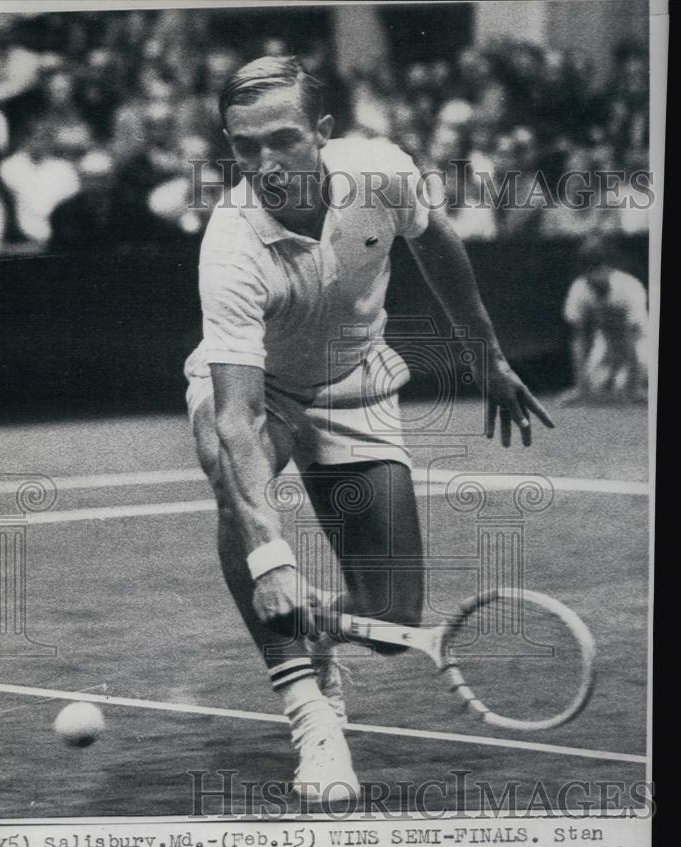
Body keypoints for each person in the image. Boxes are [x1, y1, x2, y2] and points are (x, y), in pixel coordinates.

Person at [184, 56, 553, 805]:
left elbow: (440, 245)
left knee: (388, 624)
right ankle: (309, 714)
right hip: (269, 397)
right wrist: (271, 560)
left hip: (358, 386)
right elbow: (237, 415)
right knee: (232, 473)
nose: (263, 163)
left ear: (322, 133)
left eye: (282, 139)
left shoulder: (382, 171)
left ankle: (316, 628)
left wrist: (486, 359)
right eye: (243, 146)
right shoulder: (229, 243)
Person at [560, 236, 649, 405]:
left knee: (623, 386)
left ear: (609, 266)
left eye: (598, 265)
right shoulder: (580, 289)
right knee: (598, 385)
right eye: (588, 267)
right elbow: (580, 339)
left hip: (642, 343)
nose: (594, 274)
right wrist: (581, 387)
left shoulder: (630, 287)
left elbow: (632, 337)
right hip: (607, 346)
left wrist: (635, 387)